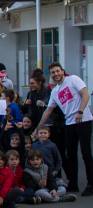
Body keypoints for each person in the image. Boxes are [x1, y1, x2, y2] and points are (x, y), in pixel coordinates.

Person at [33, 62, 93, 195]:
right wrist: (37, 128)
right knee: (70, 155)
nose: (56, 74)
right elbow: (48, 111)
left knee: (86, 153)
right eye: (53, 72)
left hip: (84, 120)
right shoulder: (55, 91)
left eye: (57, 71)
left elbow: (86, 95)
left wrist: (81, 111)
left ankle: (91, 184)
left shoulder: (73, 79)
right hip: (69, 123)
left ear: (62, 71)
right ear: (51, 75)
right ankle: (73, 183)